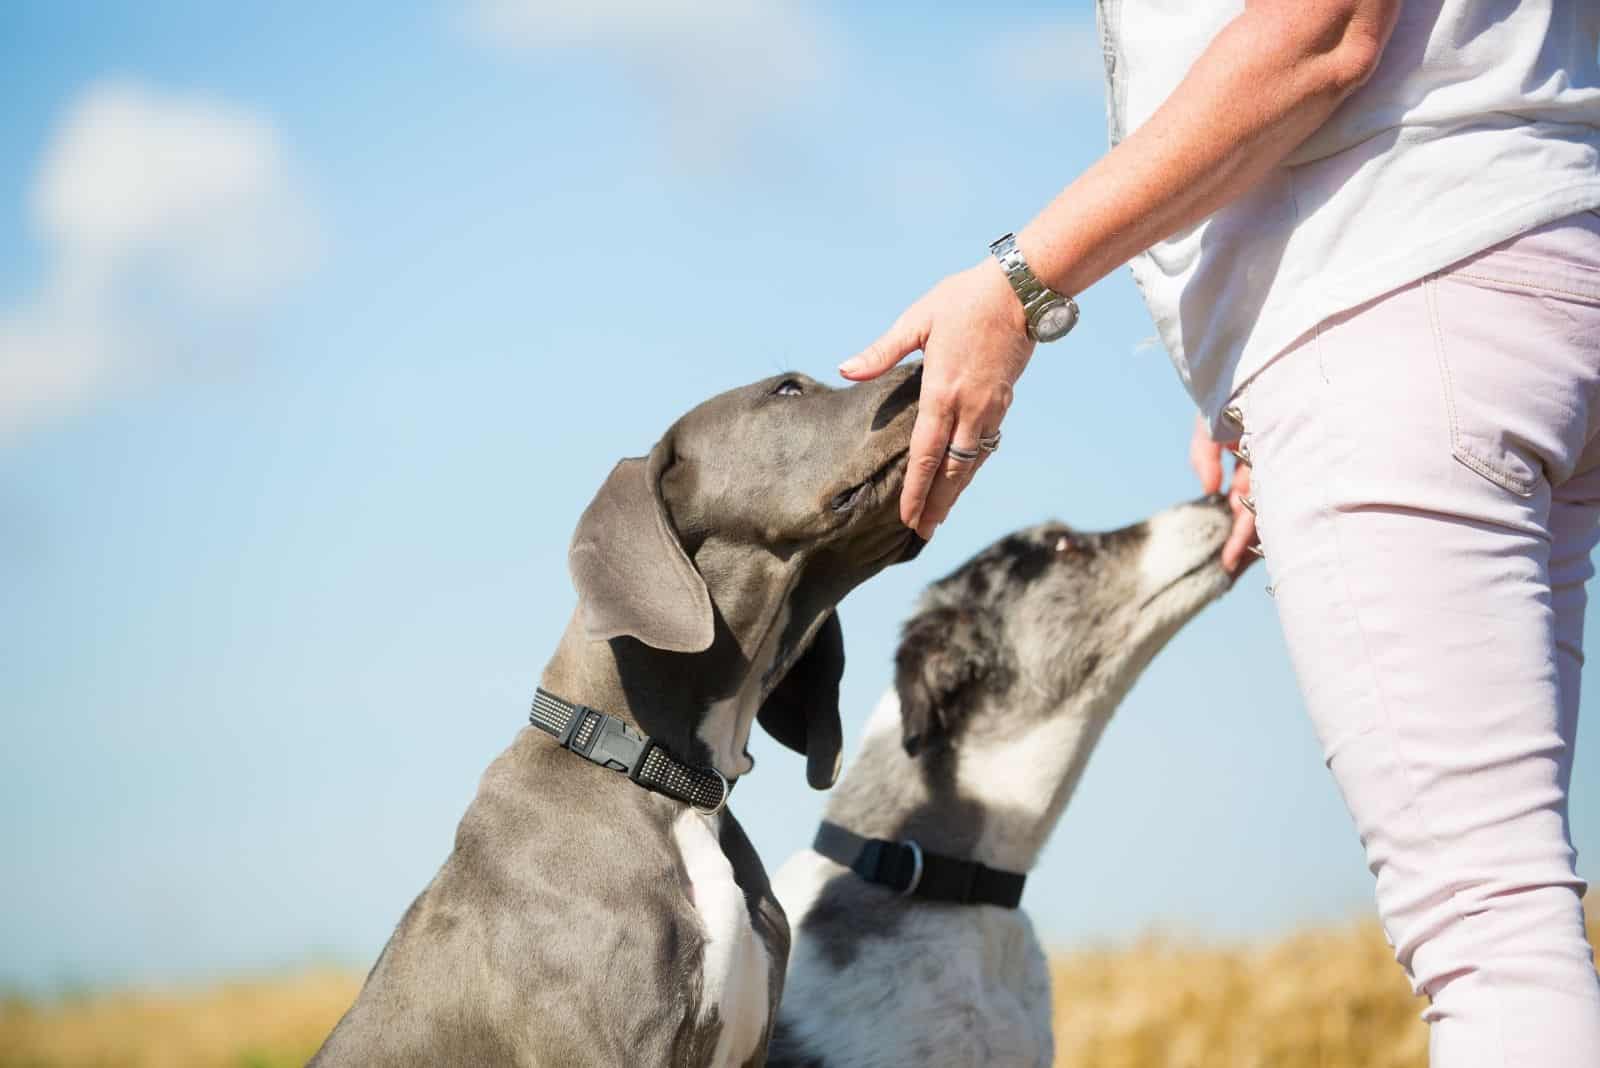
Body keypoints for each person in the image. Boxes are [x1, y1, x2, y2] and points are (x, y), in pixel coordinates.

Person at [839, 2, 1600, 1064]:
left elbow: (1321, 31)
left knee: (1487, 930)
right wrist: (1245, 363)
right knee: (1521, 896)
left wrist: (1016, 288)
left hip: (1392, 302)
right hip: (1533, 269)